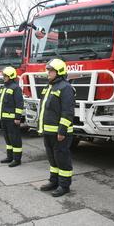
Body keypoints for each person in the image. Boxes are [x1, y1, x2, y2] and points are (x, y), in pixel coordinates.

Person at [38, 58, 75, 197]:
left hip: (59, 133)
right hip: (48, 131)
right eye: (48, 70)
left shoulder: (65, 88)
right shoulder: (50, 87)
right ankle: (54, 181)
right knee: (52, 158)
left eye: (51, 70)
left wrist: (62, 130)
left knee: (62, 158)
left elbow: (67, 112)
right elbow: (44, 109)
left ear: (59, 72)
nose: (48, 73)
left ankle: (64, 186)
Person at [0, 66, 24, 167]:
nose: (4, 77)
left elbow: (19, 104)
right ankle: (10, 157)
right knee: (7, 139)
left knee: (15, 139)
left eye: (6, 76)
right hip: (4, 118)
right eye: (3, 75)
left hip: (12, 119)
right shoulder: (4, 87)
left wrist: (17, 117)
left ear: (11, 76)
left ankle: (17, 159)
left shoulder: (16, 88)